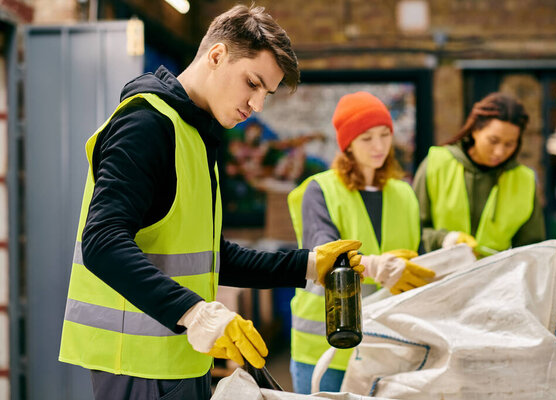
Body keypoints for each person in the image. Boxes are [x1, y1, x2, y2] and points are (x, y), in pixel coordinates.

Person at [58, 5, 364, 400]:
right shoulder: (145, 126)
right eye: (252, 83)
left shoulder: (196, 134)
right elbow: (102, 242)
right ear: (217, 56)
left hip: (182, 358)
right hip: (137, 367)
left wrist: (307, 265)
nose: (257, 106)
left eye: (265, 93)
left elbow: (211, 257)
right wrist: (195, 313)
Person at [287, 91, 435, 393]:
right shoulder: (320, 190)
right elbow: (323, 254)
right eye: (367, 138)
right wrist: (376, 266)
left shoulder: (404, 193)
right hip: (325, 348)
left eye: (385, 135)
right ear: (348, 144)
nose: (379, 146)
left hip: (388, 346)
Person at [412, 92, 545, 256]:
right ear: (475, 130)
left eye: (509, 144)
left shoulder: (525, 180)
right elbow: (412, 230)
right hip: (442, 277)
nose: (499, 151)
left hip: (498, 279)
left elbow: (532, 248)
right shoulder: (436, 164)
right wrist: (445, 239)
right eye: (493, 141)